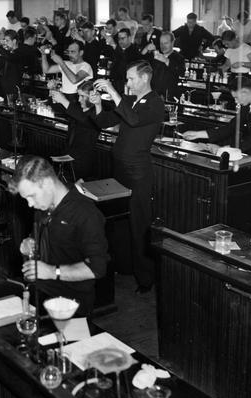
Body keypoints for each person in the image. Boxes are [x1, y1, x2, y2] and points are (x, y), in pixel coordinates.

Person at [90, 61, 164, 294]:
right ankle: (124, 266)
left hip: (138, 171)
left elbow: (132, 120)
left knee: (139, 222)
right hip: (121, 167)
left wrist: (112, 91)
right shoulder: (131, 101)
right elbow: (104, 122)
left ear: (144, 78)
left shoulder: (155, 102)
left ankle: (145, 277)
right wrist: (98, 105)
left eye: (131, 79)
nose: (127, 83)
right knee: (120, 220)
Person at [8, 155, 108, 318]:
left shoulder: (86, 214)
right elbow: (42, 238)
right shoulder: (43, 205)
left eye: (31, 196)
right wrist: (29, 242)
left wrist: (52, 272)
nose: (30, 204)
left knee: (70, 344)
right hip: (41, 296)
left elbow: (97, 268)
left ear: (47, 183)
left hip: (73, 306)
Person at [182, 76, 251, 164]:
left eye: (236, 97)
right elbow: (231, 127)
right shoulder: (246, 105)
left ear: (245, 92)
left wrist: (226, 149)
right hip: (249, 154)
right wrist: (198, 134)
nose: (236, 101)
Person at [48, 80, 102, 180]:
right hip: (69, 156)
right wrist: (52, 90)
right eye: (78, 96)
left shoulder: (97, 114)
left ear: (93, 97)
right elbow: (58, 107)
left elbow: (83, 118)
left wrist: (63, 100)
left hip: (83, 163)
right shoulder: (78, 108)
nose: (79, 99)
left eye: (82, 96)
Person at [143, 31, 186, 100]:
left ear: (172, 43)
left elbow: (182, 72)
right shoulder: (156, 56)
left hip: (170, 97)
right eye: (161, 43)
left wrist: (167, 61)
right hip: (154, 95)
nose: (163, 46)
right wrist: (146, 49)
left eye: (166, 43)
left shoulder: (179, 58)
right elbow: (140, 61)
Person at [110, 28, 142, 94]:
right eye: (119, 39)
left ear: (129, 38)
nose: (120, 41)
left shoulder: (135, 51)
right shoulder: (117, 50)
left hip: (129, 86)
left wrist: (116, 48)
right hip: (115, 84)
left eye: (123, 38)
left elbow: (126, 64)